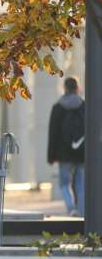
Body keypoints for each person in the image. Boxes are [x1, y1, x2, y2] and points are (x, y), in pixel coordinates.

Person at [47, 77, 85, 217]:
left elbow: (53, 133)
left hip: (63, 153)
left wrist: (51, 156)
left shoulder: (58, 107)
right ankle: (82, 214)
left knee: (64, 183)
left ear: (65, 88)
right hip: (81, 152)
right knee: (80, 184)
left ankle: (71, 208)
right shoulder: (84, 106)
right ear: (77, 88)